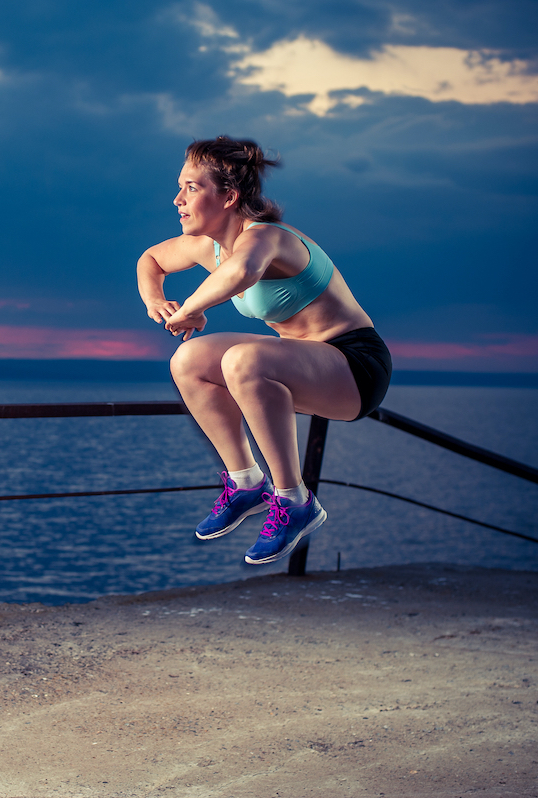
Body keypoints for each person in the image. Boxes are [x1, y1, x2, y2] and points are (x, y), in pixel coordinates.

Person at [137, 136, 391, 565]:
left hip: (354, 366)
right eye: (180, 186)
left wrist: (193, 309)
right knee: (188, 361)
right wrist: (155, 301)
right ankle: (247, 483)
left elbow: (242, 271)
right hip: (299, 360)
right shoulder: (208, 247)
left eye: (192, 188)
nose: (177, 199)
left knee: (243, 359)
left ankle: (294, 501)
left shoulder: (267, 239)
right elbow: (151, 260)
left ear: (229, 196)